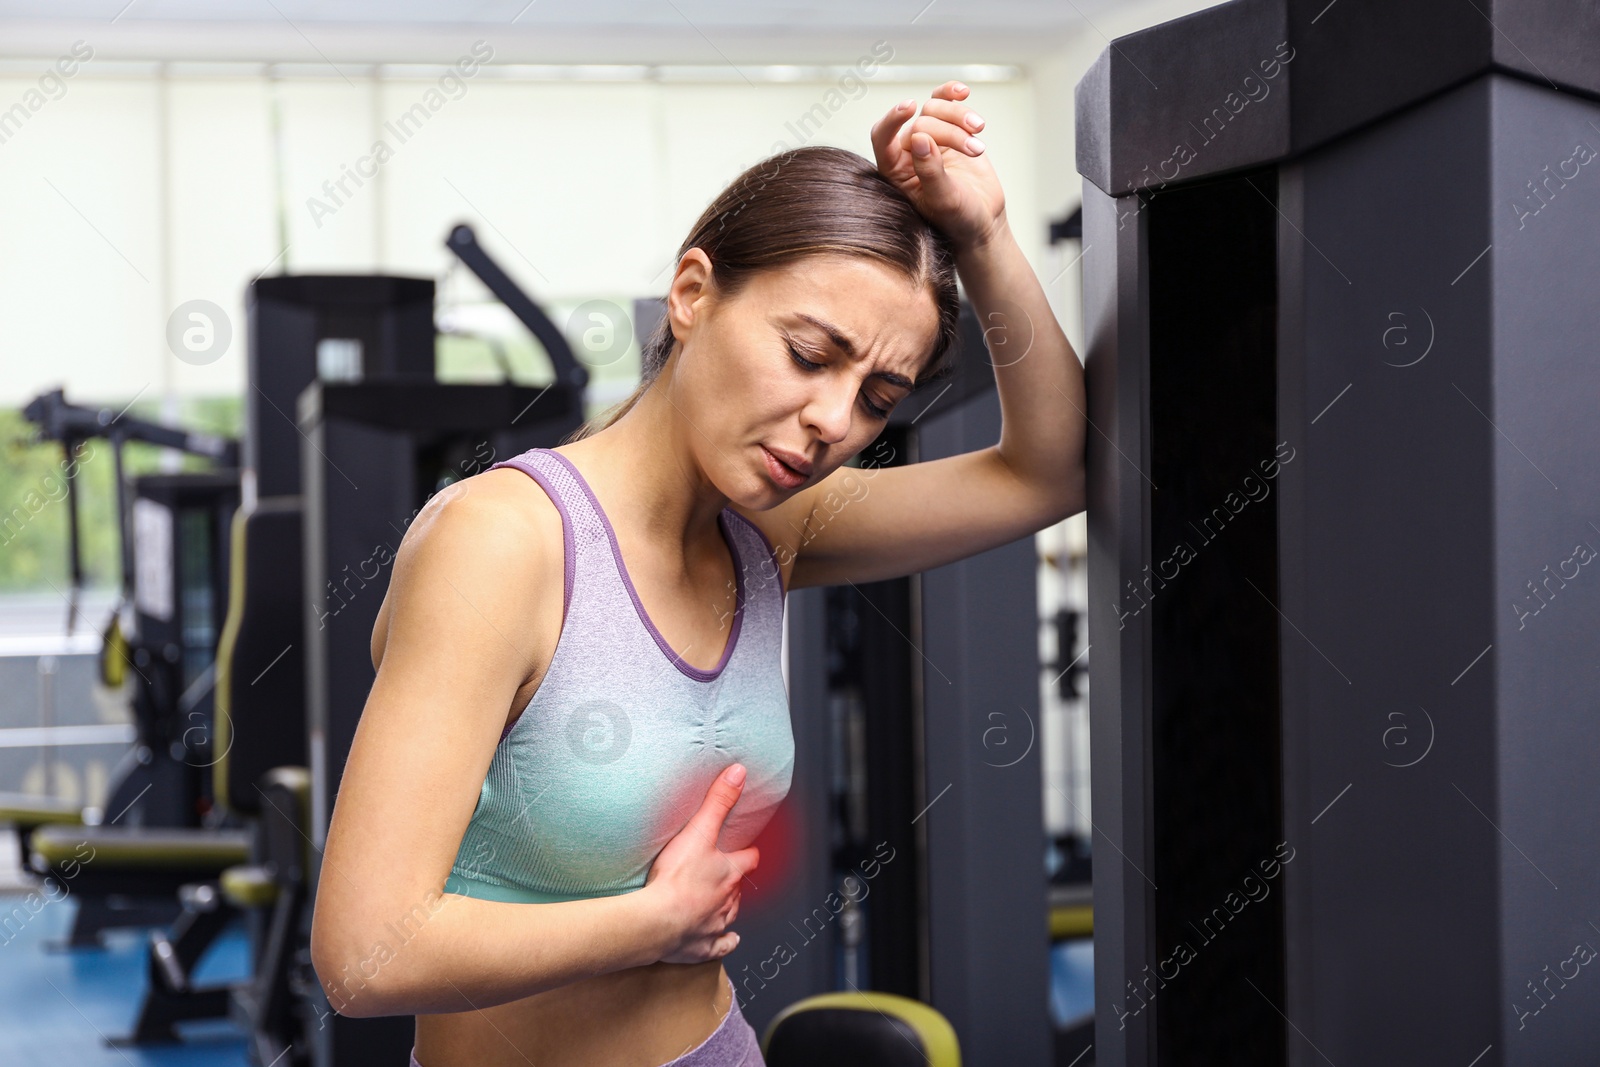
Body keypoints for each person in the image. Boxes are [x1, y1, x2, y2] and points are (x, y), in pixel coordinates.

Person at [309, 81, 1086, 1067]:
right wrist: (650, 921)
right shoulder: (503, 542)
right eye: (809, 353)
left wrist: (979, 236)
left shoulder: (767, 532)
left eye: (876, 396)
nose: (834, 421)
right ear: (690, 294)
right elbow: (363, 957)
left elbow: (1050, 470)